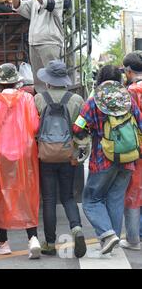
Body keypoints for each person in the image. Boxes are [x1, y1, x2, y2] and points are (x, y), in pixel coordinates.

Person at [73, 80, 142, 255]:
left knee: (91, 200)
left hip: (102, 159)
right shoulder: (128, 101)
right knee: (116, 199)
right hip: (128, 159)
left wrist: (89, 131)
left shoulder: (93, 102)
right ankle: (113, 240)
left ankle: (107, 234)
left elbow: (77, 127)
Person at [34, 60, 87, 258]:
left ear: (48, 80)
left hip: (46, 155)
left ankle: (48, 243)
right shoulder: (76, 100)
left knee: (49, 199)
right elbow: (81, 130)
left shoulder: (38, 99)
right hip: (68, 155)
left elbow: (33, 128)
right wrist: (79, 154)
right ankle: (77, 229)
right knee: (67, 197)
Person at [0, 63, 41, 259]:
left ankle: (3, 243)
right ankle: (33, 239)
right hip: (25, 154)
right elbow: (35, 126)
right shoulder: (27, 99)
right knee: (28, 194)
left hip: (1, 154)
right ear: (16, 81)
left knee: (1, 195)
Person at [12, 0, 64, 93]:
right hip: (34, 43)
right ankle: (41, 106)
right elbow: (18, 6)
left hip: (50, 42)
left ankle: (56, 104)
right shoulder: (35, 1)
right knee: (38, 80)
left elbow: (48, 4)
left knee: (54, 78)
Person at [120, 52, 142, 251]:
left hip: (137, 148)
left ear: (128, 71)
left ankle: (133, 238)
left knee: (134, 191)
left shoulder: (132, 91)